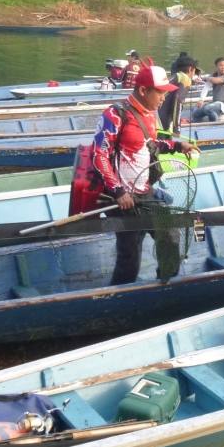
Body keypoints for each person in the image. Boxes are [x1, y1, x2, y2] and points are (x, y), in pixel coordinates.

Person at [73, 62, 198, 285]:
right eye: (160, 93)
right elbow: (99, 155)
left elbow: (150, 144)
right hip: (120, 198)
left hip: (143, 192)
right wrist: (118, 191)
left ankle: (166, 283)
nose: (163, 98)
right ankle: (121, 296)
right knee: (129, 254)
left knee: (169, 233)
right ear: (143, 90)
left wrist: (179, 146)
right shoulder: (115, 114)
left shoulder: (149, 114)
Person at [158, 55, 199, 133]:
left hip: (155, 115)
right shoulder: (186, 79)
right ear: (191, 69)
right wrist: (176, 128)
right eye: (195, 71)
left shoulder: (176, 76)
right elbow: (178, 102)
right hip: (162, 120)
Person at [190, 57, 224, 122]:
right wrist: (201, 100)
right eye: (221, 65)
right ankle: (199, 123)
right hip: (215, 103)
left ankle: (214, 124)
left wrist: (203, 78)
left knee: (208, 109)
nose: (223, 67)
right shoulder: (213, 75)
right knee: (195, 112)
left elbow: (216, 80)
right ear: (216, 66)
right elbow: (206, 87)